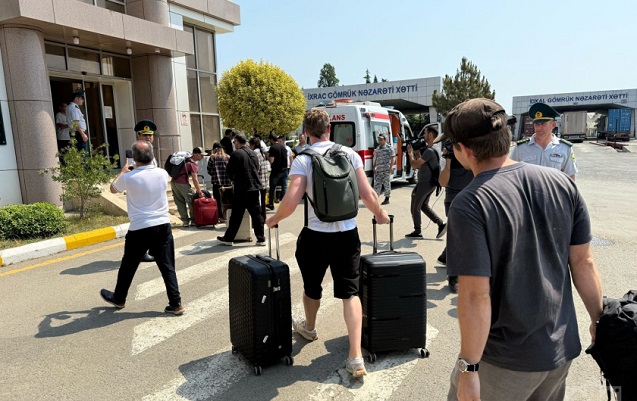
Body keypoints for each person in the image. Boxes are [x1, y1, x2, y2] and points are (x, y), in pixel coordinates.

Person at [442, 98, 603, 401]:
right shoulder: (562, 184)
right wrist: (598, 321)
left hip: (505, 363)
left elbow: (475, 295)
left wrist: (469, 368)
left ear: (463, 149)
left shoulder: (470, 203)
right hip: (560, 351)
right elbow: (584, 263)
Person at [265, 108, 390, 379]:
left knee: (312, 287)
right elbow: (367, 194)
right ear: (329, 130)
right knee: (350, 293)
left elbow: (291, 200)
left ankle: (309, 328)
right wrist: (380, 215)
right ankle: (355, 357)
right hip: (347, 235)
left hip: (315, 236)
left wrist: (273, 219)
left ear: (306, 132)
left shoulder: (303, 159)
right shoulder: (350, 154)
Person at [100, 140, 184, 315]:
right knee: (167, 265)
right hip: (162, 224)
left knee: (128, 266)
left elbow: (113, 189)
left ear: (134, 158)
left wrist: (123, 171)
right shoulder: (162, 174)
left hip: (139, 227)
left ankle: (119, 298)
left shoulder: (129, 177)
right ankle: (176, 303)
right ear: (152, 156)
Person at [435, 133, 474, 293]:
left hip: (473, 197)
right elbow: (443, 182)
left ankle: (447, 256)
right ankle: (454, 276)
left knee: (464, 236)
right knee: (459, 235)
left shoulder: (472, 152)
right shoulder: (446, 155)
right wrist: (449, 160)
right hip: (454, 200)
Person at [217, 134, 266, 246]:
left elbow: (229, 170)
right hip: (254, 187)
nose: (234, 144)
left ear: (237, 142)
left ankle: (229, 238)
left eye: (234, 142)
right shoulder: (253, 153)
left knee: (236, 214)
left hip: (242, 188)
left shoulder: (236, 154)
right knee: (256, 214)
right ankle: (261, 238)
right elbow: (257, 168)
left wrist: (233, 180)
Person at [510, 103, 578, 180]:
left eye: (543, 124)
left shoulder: (565, 148)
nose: (539, 128)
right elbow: (511, 173)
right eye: (536, 124)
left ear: (553, 125)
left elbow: (570, 176)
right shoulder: (521, 148)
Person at [405, 125, 447, 239]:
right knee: (423, 206)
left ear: (430, 135)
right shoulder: (434, 149)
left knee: (415, 206)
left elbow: (414, 165)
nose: (423, 135)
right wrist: (417, 152)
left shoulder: (429, 151)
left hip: (425, 183)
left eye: (425, 133)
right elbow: (422, 164)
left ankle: (417, 231)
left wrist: (410, 154)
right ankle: (440, 224)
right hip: (430, 183)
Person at [134, 119, 159, 262]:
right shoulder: (136, 153)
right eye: (145, 135)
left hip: (151, 195)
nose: (148, 137)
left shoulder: (150, 153)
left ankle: (149, 249)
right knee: (144, 225)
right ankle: (141, 252)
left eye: (150, 135)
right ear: (139, 136)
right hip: (142, 196)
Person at [171, 147, 204, 227]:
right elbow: (195, 179)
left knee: (180, 202)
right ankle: (193, 220)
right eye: (202, 155)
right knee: (192, 201)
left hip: (173, 182)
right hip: (183, 183)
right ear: (196, 154)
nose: (203, 157)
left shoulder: (184, 160)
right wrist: (199, 191)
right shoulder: (193, 164)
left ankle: (185, 221)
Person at [207, 143, 231, 222]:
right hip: (227, 183)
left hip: (216, 182)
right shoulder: (228, 157)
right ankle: (228, 215)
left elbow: (209, 170)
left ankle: (220, 216)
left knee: (218, 200)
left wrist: (214, 175)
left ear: (214, 149)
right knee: (227, 199)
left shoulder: (212, 158)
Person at [266, 133, 288, 210]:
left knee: (272, 188)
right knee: (284, 189)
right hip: (284, 170)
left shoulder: (273, 148)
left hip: (276, 171)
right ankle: (285, 205)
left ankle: (271, 204)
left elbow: (271, 160)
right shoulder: (283, 147)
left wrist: (267, 156)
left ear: (271, 140)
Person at [372, 132, 396, 205]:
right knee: (377, 185)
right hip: (379, 170)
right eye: (379, 139)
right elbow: (376, 158)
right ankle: (375, 198)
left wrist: (391, 167)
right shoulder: (377, 148)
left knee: (386, 184)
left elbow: (393, 158)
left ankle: (387, 198)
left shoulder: (389, 148)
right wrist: (374, 166)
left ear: (385, 140)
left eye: (381, 140)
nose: (379, 141)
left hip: (386, 170)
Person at [249, 137, 270, 219]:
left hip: (258, 181)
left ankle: (259, 218)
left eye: (250, 145)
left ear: (252, 145)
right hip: (264, 180)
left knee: (258, 202)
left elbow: (256, 168)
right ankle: (263, 217)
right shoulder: (262, 153)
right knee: (263, 202)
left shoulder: (255, 153)